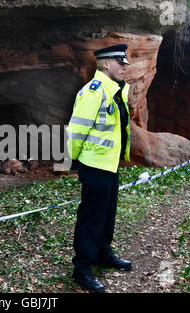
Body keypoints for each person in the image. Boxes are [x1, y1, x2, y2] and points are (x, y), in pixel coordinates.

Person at [66, 44, 132, 293]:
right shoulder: (94, 91)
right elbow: (77, 129)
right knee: (91, 218)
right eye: (120, 62)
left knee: (107, 215)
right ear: (106, 64)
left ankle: (103, 253)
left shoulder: (115, 89)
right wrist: (74, 161)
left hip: (110, 164)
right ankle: (82, 269)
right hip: (94, 165)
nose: (125, 67)